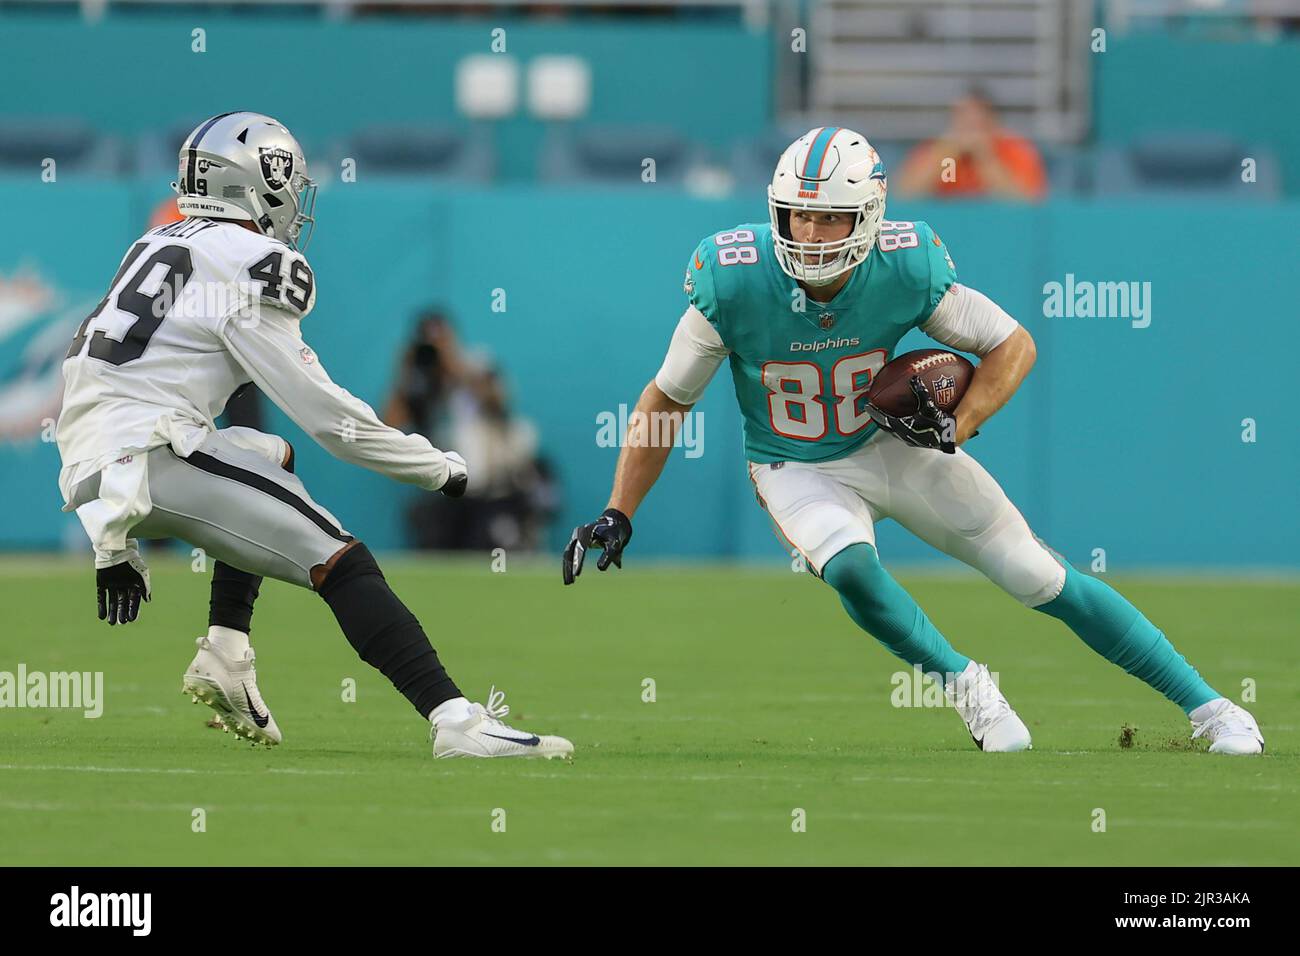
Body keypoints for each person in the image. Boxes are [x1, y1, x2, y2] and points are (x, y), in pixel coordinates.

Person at [562, 126, 1262, 756]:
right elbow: (667, 398)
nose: (809, 231)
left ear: (867, 216)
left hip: (899, 447)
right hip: (797, 465)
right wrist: (622, 509)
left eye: (830, 215)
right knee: (852, 568)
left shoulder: (906, 266)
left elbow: (1010, 343)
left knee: (1037, 575)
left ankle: (1213, 708)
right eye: (798, 213)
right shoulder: (735, 277)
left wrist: (960, 422)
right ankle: (968, 688)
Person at [57, 111, 571, 760]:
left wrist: (109, 531)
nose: (295, 199)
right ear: (257, 181)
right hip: (151, 453)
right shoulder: (250, 259)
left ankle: (226, 650)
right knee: (337, 556)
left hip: (99, 454)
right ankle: (455, 721)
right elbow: (329, 419)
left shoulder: (155, 244)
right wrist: (435, 467)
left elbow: (96, 381)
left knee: (269, 455)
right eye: (288, 181)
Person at [895, 90, 1047, 200]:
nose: (969, 131)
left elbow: (1026, 203)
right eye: (963, 121)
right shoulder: (938, 150)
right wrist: (945, 154)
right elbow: (903, 195)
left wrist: (985, 158)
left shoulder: (1014, 150)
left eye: (976, 123)